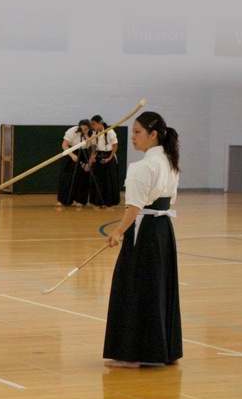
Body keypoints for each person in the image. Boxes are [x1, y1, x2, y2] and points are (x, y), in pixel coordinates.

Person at [103, 111, 182, 368]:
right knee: (159, 286)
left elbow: (134, 207)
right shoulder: (169, 162)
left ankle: (132, 354)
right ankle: (166, 351)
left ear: (154, 134)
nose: (133, 137)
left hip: (145, 229)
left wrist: (118, 232)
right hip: (163, 230)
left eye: (137, 132)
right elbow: (168, 200)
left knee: (132, 286)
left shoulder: (143, 166)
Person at [55, 119, 94, 207]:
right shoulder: (72, 131)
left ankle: (80, 200)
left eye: (86, 129)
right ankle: (63, 200)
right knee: (66, 177)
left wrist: (89, 163)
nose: (84, 130)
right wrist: (72, 155)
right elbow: (64, 145)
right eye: (82, 128)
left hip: (84, 154)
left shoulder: (92, 134)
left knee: (82, 178)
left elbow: (93, 149)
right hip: (71, 153)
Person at [88, 115, 120, 208]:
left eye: (93, 124)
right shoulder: (94, 134)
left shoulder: (110, 132)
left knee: (108, 180)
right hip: (99, 156)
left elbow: (115, 146)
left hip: (109, 155)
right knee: (98, 180)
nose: (92, 126)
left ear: (100, 123)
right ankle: (98, 202)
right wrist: (92, 159)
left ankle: (109, 202)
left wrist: (109, 158)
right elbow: (94, 148)